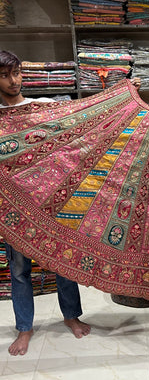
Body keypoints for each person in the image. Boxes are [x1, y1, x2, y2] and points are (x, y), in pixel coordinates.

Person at [0, 50, 91, 356]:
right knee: (19, 271)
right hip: (16, 210)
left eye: (17, 72)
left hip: (52, 204)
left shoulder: (44, 109)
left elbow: (78, 130)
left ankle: (71, 317)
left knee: (63, 263)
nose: (14, 81)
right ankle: (24, 329)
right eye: (5, 75)